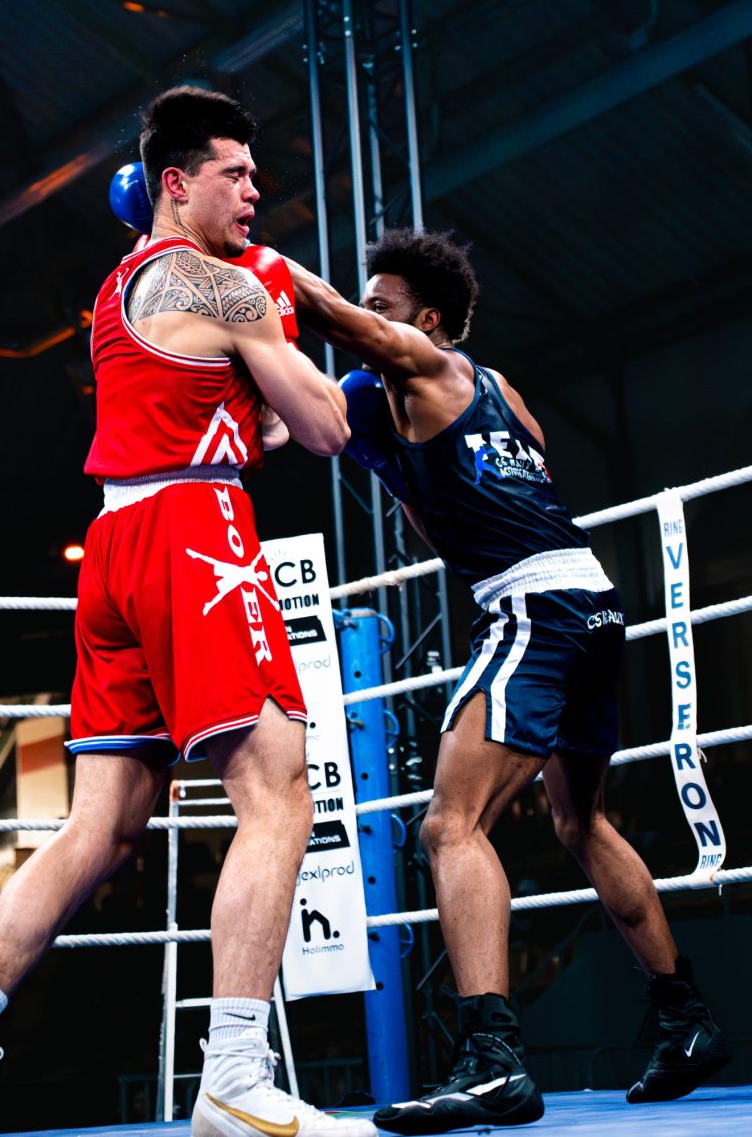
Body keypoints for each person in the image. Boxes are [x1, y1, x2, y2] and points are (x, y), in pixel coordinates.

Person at [0, 86, 375, 1137]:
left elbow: (215, 411)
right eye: (234, 174)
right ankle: (234, 1078)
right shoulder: (225, 284)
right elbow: (328, 429)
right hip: (195, 538)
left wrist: (262, 390)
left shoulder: (120, 287)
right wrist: (308, 352)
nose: (254, 192)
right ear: (175, 183)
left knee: (101, 825)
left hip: (115, 542)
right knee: (277, 791)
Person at [285, 228, 731, 1132]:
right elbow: (464, 510)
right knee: (580, 821)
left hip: (535, 607)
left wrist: (233, 256)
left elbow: (326, 315)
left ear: (426, 320)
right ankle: (686, 1020)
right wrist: (392, 459)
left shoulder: (427, 362)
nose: (370, 316)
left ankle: (492, 1061)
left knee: (448, 824)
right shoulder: (500, 395)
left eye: (383, 306)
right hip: (592, 602)